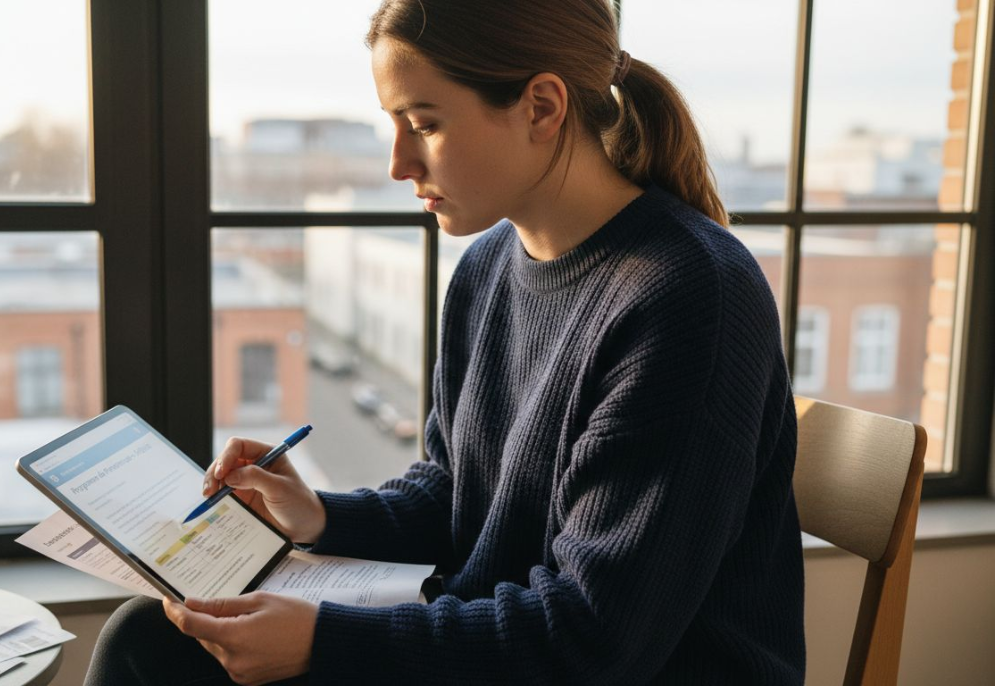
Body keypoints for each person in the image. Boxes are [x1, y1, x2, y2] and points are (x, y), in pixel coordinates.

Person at [85, 0, 805, 683]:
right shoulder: (488, 266)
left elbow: (596, 639)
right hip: (506, 648)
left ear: (542, 108)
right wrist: (322, 517)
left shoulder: (687, 297)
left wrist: (323, 643)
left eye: (423, 124)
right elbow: (457, 492)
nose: (399, 164)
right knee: (149, 637)